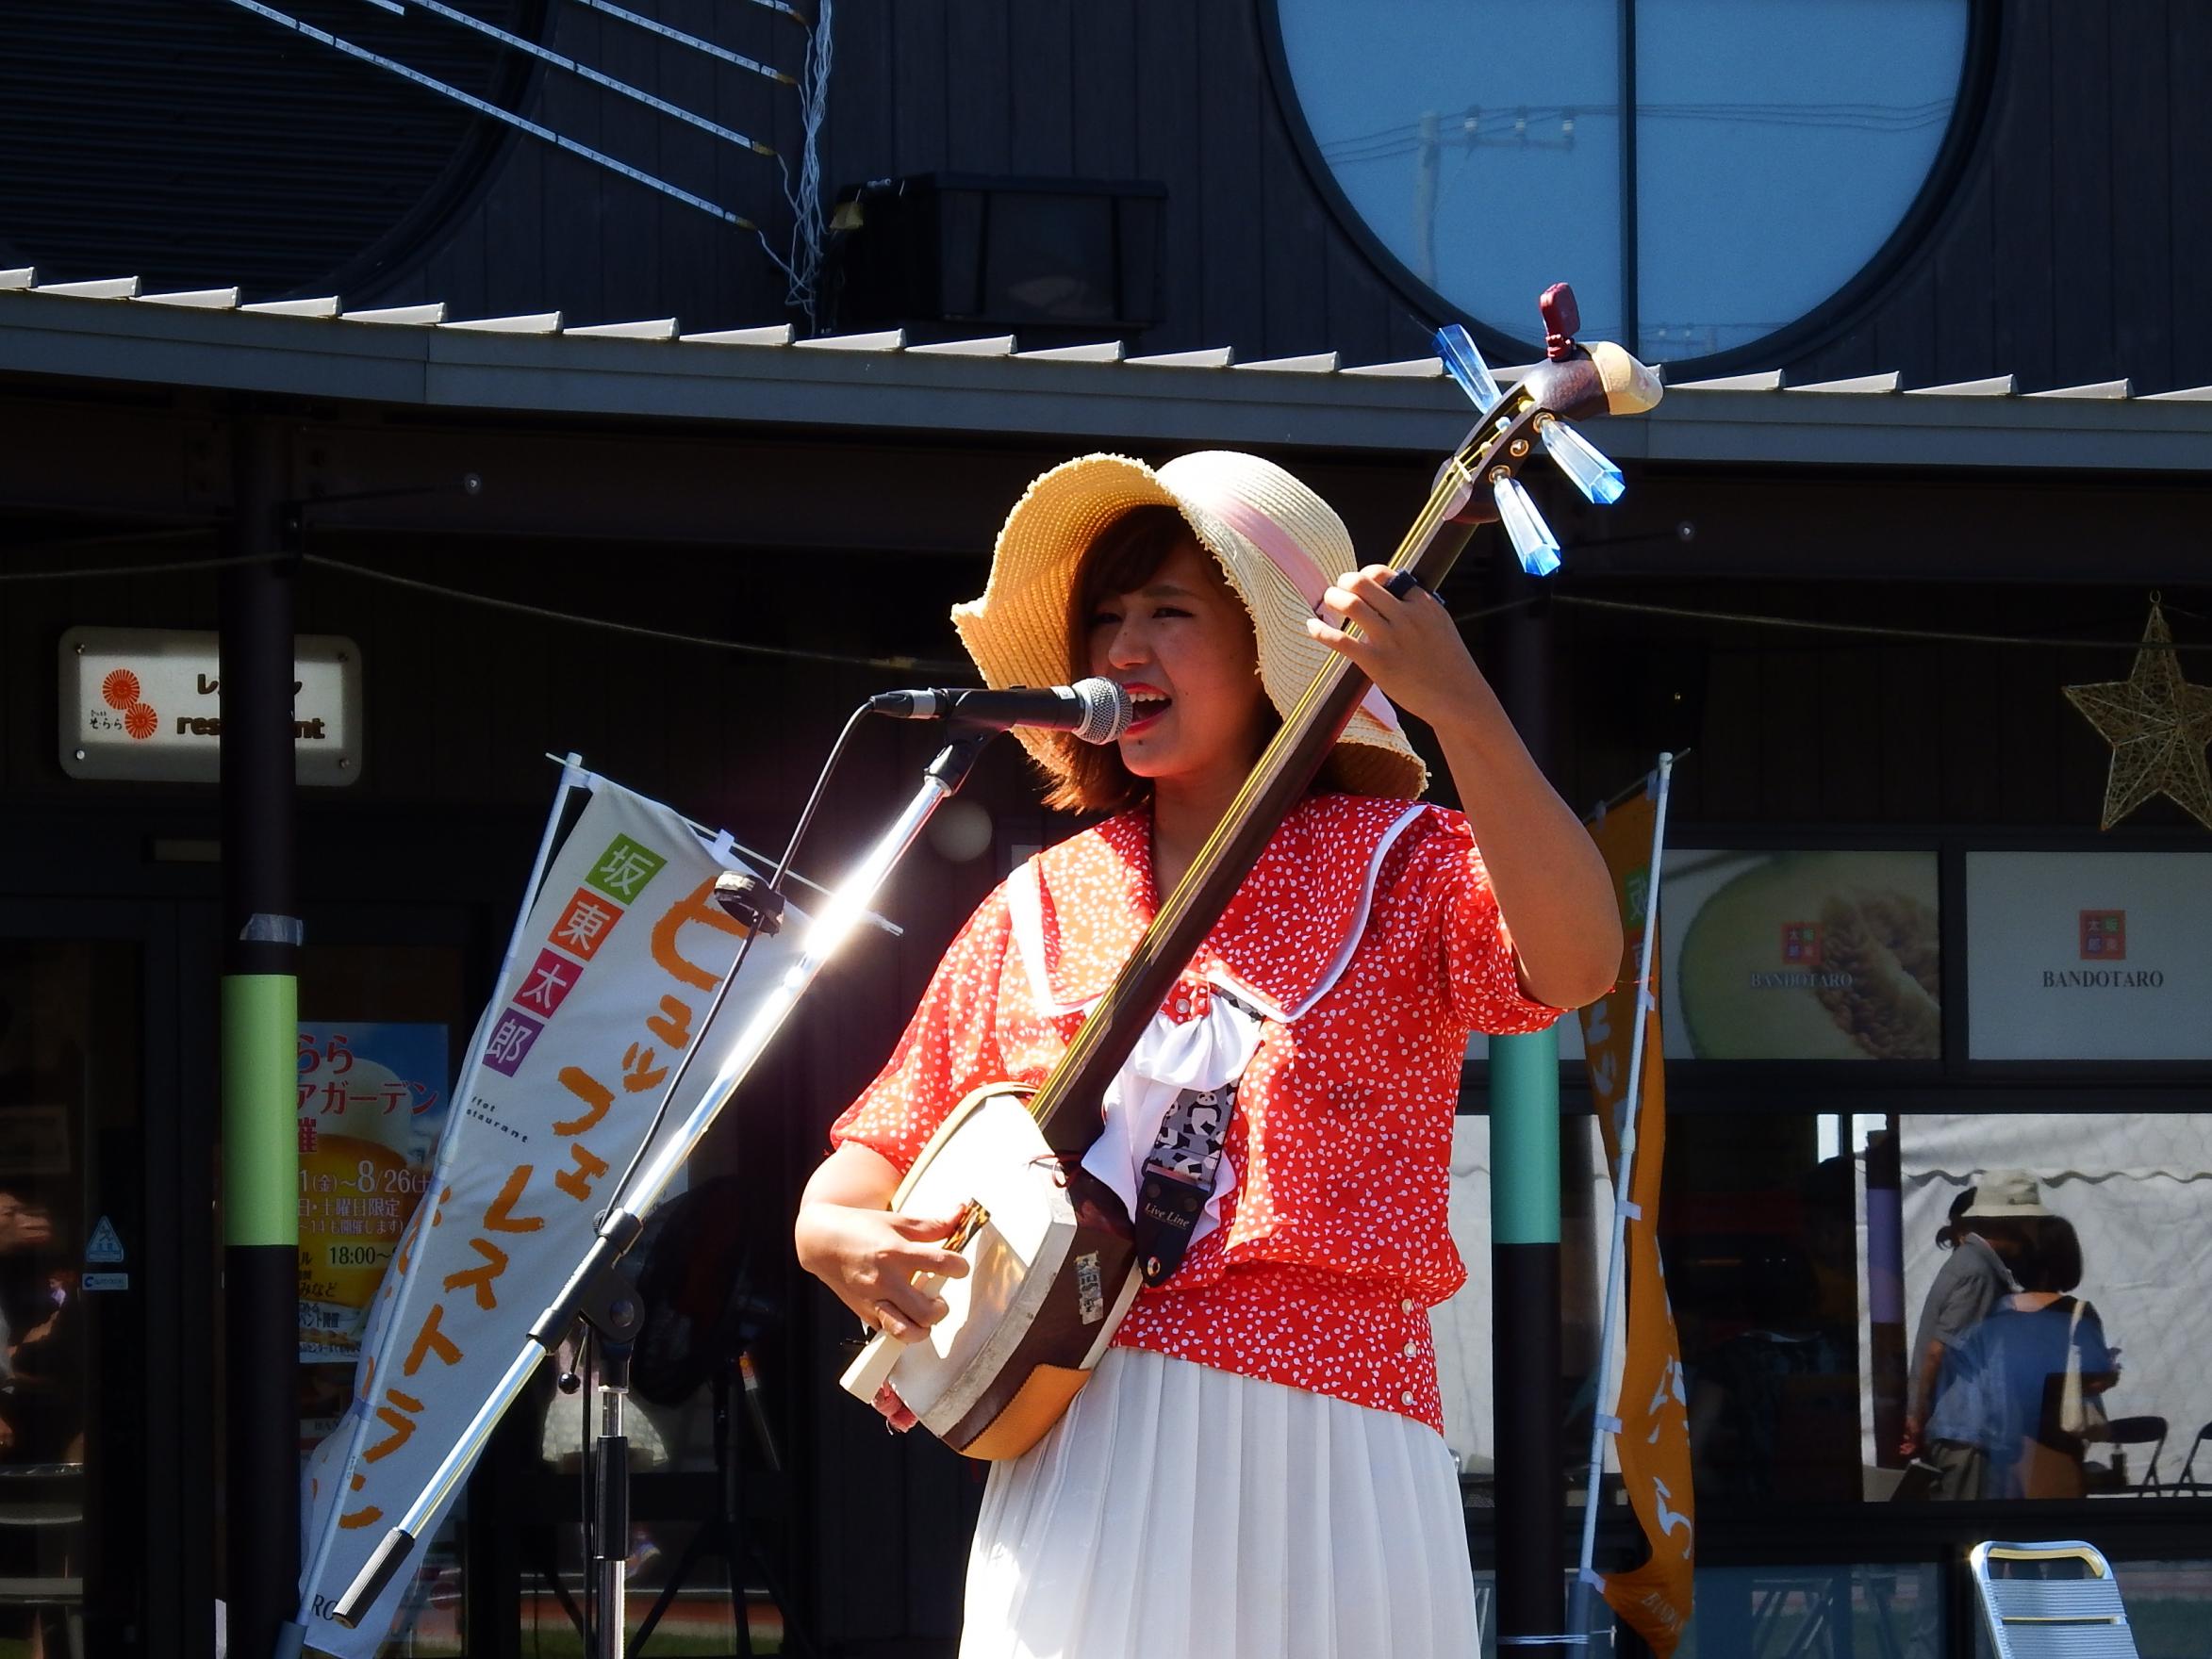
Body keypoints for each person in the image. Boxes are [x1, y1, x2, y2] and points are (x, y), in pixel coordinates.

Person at [794, 452, 1622, 1658]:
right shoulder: (1035, 901)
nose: (1124, 648)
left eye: (1169, 613)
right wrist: (836, 1234)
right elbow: (867, 1160)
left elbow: (1580, 959)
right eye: (1107, 619)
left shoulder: (1405, 855)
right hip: (1086, 1423)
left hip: (1347, 1438)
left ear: (1269, 649)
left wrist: (1464, 707)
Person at [1900, 1180, 2025, 1499]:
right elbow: (1938, 1350)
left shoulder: (1969, 1265)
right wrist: (1917, 1415)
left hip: (1960, 1428)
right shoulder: (1978, 1272)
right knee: (1965, 1537)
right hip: (1965, 1430)